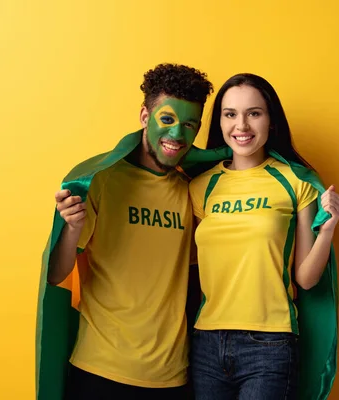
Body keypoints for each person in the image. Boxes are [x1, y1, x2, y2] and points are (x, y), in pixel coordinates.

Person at [42, 63, 214, 400]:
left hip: (170, 377)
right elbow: (57, 273)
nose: (177, 135)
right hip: (98, 368)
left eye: (189, 125)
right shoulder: (102, 181)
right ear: (144, 116)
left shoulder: (192, 190)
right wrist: (72, 229)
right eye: (167, 120)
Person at [188, 73, 339, 399]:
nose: (241, 125)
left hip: (270, 345)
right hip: (206, 341)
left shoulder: (295, 181)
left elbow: (305, 278)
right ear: (219, 122)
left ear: (271, 121)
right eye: (230, 114)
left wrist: (327, 228)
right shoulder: (200, 187)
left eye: (254, 113)